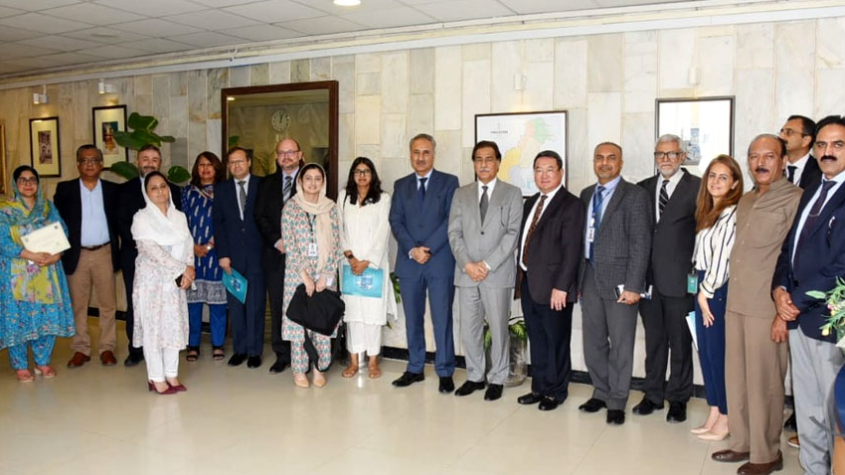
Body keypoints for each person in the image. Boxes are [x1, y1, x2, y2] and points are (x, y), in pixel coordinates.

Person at [711, 134, 802, 475]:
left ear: (783, 161)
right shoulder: (747, 200)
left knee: (765, 383)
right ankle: (742, 442)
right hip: (736, 302)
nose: (760, 162)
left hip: (767, 308)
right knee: (737, 379)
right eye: (754, 156)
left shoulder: (795, 199)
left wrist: (783, 314)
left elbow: (794, 259)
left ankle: (766, 454)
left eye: (769, 156)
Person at [773, 115, 845, 475]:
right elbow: (789, 248)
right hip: (798, 316)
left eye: (838, 145)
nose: (828, 152)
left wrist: (796, 302)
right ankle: (813, 469)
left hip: (830, 320)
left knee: (834, 411)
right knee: (808, 405)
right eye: (822, 145)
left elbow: (841, 266)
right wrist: (779, 290)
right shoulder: (813, 189)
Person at [578, 142, 652, 426]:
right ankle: (601, 391)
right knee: (593, 341)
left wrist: (634, 285)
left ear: (620, 163)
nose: (604, 163)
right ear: (593, 162)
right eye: (599, 158)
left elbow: (641, 243)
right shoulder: (586, 194)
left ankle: (618, 399)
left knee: (621, 343)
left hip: (621, 281)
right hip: (589, 276)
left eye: (611, 158)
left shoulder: (635, 196)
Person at [447, 141, 523, 402]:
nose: (483, 164)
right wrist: (468, 264)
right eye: (478, 159)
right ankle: (475, 376)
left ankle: (498, 378)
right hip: (466, 272)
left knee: (499, 328)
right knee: (469, 329)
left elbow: (512, 235)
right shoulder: (461, 194)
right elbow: (454, 233)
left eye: (489, 159)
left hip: (497, 274)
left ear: (498, 162)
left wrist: (487, 265)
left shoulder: (512, 193)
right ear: (474, 163)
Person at [634, 135, 701, 423]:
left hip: (681, 281)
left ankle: (678, 399)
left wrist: (697, 279)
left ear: (682, 157)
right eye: (660, 154)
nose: (665, 159)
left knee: (680, 343)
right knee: (654, 342)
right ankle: (653, 395)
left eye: (671, 154)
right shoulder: (643, 188)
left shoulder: (698, 188)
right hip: (649, 282)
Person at [514, 150, 584, 410]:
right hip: (529, 283)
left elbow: (572, 250)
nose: (543, 175)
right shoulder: (531, 202)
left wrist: (561, 287)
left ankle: (556, 391)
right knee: (538, 339)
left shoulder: (571, 205)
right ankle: (539, 387)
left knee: (556, 341)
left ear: (561, 173)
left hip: (555, 287)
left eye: (549, 170)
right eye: (538, 170)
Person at [389, 133, 460, 394]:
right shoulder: (401, 185)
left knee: (442, 319)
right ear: (410, 155)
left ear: (433, 155)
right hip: (410, 263)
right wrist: (412, 250)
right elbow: (396, 220)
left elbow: (451, 219)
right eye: (416, 152)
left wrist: (426, 249)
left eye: (426, 152)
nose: (421, 157)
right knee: (413, 319)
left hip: (439, 262)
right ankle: (415, 368)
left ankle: (445, 370)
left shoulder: (449, 182)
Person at [0, 166, 75, 382]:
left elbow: (62, 231)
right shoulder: (5, 210)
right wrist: (30, 254)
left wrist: (57, 254)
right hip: (17, 271)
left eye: (32, 179)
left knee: (46, 316)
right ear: (15, 183)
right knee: (18, 318)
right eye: (22, 180)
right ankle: (20, 365)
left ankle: (42, 361)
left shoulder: (47, 207)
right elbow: (2, 240)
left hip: (46, 270)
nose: (28, 184)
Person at [691, 155, 743, 441]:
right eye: (712, 175)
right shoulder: (709, 212)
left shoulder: (731, 214)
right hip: (702, 285)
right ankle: (714, 411)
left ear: (735, 183)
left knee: (718, 356)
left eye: (723, 177)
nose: (716, 181)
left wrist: (705, 292)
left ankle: (726, 417)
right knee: (707, 355)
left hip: (715, 290)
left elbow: (724, 260)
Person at [55, 145, 120, 368]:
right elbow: (56, 223)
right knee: (78, 304)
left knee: (108, 304)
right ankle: (81, 349)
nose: (89, 164)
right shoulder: (65, 189)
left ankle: (107, 347)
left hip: (104, 252)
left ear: (101, 164)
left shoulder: (112, 190)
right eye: (84, 160)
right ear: (78, 164)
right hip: (77, 254)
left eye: (94, 160)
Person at [117, 145, 182, 367]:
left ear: (160, 162)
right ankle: (136, 349)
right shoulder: (124, 190)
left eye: (154, 159)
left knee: (167, 304)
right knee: (138, 303)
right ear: (137, 161)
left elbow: (179, 224)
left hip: (169, 259)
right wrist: (145, 246)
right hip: (136, 257)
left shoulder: (173, 190)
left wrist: (167, 253)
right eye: (145, 159)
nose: (149, 163)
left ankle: (166, 346)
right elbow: (122, 223)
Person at [131, 171, 194, 395]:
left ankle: (171, 373)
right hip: (152, 282)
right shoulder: (141, 218)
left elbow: (188, 244)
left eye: (163, 186)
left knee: (172, 327)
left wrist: (189, 270)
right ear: (146, 193)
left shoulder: (179, 217)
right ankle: (156, 377)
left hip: (174, 283)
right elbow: (151, 251)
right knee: (154, 329)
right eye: (154, 188)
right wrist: (182, 269)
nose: (160, 191)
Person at [281, 163, 340, 388]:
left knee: (322, 324)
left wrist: (325, 275)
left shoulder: (330, 207)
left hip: (324, 275)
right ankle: (299, 370)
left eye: (317, 178)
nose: (313, 183)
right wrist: (305, 276)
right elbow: (290, 243)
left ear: (323, 182)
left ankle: (319, 368)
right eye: (308, 178)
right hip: (298, 275)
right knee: (299, 324)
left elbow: (336, 243)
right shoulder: (291, 207)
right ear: (300, 181)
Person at [338, 157, 395, 379]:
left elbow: (383, 232)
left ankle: (372, 361)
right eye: (358, 171)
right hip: (350, 265)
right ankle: (354, 361)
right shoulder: (344, 197)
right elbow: (339, 228)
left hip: (373, 265)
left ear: (373, 175)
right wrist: (351, 258)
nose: (362, 175)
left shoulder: (383, 198)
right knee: (353, 314)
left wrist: (367, 261)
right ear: (352, 175)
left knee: (372, 314)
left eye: (366, 171)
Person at [213, 147, 266, 368]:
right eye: (232, 162)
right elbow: (218, 224)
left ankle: (254, 351)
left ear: (249, 162)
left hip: (258, 255)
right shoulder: (221, 189)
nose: (236, 165)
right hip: (232, 258)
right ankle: (240, 349)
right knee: (236, 305)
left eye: (240, 161)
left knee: (255, 305)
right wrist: (223, 255)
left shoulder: (262, 185)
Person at [254, 138, 302, 374]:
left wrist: (296, 243)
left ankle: (303, 352)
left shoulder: (310, 179)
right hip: (275, 254)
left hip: (303, 256)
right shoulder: (267, 183)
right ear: (276, 157)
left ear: (300, 155)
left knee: (303, 304)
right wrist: (277, 241)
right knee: (277, 305)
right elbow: (260, 215)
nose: (286, 156)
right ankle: (282, 354)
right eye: (282, 153)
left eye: (291, 152)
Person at [182, 152, 227, 362]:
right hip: (191, 255)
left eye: (210, 164)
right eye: (201, 165)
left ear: (217, 168)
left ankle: (218, 343)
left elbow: (228, 222)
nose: (206, 168)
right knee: (193, 305)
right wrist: (192, 246)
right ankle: (193, 345)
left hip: (217, 255)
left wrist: (209, 245)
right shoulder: (187, 193)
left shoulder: (224, 191)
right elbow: (180, 222)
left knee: (218, 304)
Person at [779, 115, 820, 189]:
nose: (781, 136)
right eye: (781, 131)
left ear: (806, 140)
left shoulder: (820, 170)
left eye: (789, 132)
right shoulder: (774, 165)